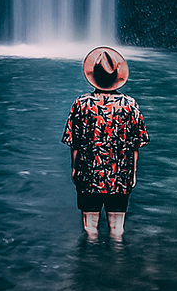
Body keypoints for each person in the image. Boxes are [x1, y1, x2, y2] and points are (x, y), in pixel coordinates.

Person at [62, 46, 149, 243]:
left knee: (90, 228)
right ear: (116, 76)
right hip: (120, 176)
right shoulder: (130, 104)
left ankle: (91, 265)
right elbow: (136, 144)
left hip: (89, 174)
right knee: (117, 230)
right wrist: (133, 172)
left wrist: (75, 170)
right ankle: (116, 265)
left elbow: (74, 143)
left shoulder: (81, 104)